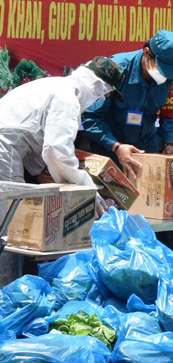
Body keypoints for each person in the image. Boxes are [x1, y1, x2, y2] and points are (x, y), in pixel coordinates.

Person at [0, 56, 124, 286]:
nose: (101, 102)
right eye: (105, 96)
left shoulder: (58, 87)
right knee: (9, 229)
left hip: (9, 147)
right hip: (4, 149)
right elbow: (56, 151)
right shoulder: (67, 99)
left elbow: (39, 143)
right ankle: (7, 298)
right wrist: (85, 187)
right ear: (98, 87)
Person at [82, 30, 173, 181]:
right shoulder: (118, 69)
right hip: (110, 146)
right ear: (146, 53)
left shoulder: (172, 75)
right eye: (162, 69)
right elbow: (92, 116)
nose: (165, 76)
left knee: (148, 198)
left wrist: (169, 142)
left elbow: (170, 114)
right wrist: (116, 146)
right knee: (112, 200)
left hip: (146, 145)